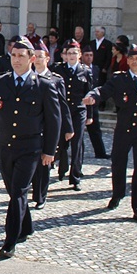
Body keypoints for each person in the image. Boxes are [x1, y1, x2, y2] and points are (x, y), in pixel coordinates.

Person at [0, 37, 61, 258]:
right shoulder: (1, 82)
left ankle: (10, 240)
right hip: (6, 146)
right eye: (13, 55)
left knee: (19, 191)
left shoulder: (44, 85)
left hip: (30, 147)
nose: (17, 60)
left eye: (21, 56)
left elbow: (54, 120)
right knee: (14, 191)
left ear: (31, 58)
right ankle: (26, 226)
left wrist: (49, 151)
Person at [83, 44, 137, 225]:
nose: (134, 61)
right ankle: (117, 195)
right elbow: (103, 90)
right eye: (131, 58)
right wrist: (93, 96)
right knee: (118, 165)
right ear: (127, 61)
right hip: (123, 130)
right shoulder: (119, 80)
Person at [29, 42, 73, 210]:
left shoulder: (55, 79)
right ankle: (33, 191)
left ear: (47, 58)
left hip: (49, 127)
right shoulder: (28, 77)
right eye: (36, 56)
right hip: (32, 126)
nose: (38, 60)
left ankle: (41, 195)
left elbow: (63, 105)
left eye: (41, 57)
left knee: (45, 161)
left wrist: (68, 127)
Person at [53, 40, 94, 193]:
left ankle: (75, 176)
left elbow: (90, 94)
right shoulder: (59, 69)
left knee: (77, 143)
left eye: (74, 53)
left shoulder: (86, 71)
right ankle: (62, 168)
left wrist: (89, 114)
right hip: (64, 111)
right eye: (69, 53)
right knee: (61, 141)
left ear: (80, 55)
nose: (71, 56)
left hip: (78, 110)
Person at [81, 45, 109, 159]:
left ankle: (100, 152)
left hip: (93, 103)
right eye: (86, 55)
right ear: (82, 56)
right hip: (82, 103)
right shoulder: (80, 69)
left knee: (95, 129)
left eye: (91, 55)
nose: (89, 58)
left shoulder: (96, 69)